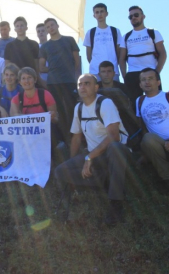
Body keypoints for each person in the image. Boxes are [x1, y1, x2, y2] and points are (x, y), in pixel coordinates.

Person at [54, 74, 132, 225]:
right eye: (79, 84)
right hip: (95, 155)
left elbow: (114, 136)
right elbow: (76, 138)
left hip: (115, 152)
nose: (82, 87)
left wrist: (89, 158)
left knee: (115, 148)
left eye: (87, 84)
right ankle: (105, 181)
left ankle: (116, 203)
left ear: (96, 87)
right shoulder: (79, 108)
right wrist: (74, 161)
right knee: (60, 171)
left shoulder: (105, 103)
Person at [39, 17, 80, 141]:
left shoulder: (69, 40)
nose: (50, 28)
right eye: (48, 27)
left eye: (52, 25)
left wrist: (77, 79)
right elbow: (41, 67)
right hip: (53, 83)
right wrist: (53, 69)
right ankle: (62, 140)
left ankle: (75, 138)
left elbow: (77, 62)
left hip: (70, 81)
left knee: (73, 110)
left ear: (57, 25)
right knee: (57, 113)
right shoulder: (45, 46)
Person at [10, 67, 62, 163]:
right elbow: (14, 120)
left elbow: (56, 119)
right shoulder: (16, 99)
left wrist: (52, 116)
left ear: (35, 80)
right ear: (20, 82)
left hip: (45, 133)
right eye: (23, 78)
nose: (27, 81)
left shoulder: (45, 94)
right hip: (26, 133)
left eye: (29, 77)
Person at [119, 6, 167, 107]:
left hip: (151, 72)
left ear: (143, 16)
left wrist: (156, 72)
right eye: (130, 17)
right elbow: (122, 59)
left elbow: (163, 53)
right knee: (132, 107)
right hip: (132, 74)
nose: (133, 18)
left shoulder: (153, 32)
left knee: (156, 103)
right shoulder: (126, 36)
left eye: (136, 15)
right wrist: (125, 77)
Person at [83, 3, 125, 81]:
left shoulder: (115, 31)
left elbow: (118, 51)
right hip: (95, 71)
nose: (99, 14)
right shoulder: (90, 32)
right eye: (97, 12)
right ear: (94, 15)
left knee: (114, 92)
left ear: (106, 13)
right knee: (96, 92)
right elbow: (89, 55)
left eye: (102, 11)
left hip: (113, 71)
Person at [4, 17, 45, 86]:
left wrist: (39, 79)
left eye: (22, 25)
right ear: (15, 29)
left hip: (30, 79)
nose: (20, 28)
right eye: (17, 26)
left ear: (26, 27)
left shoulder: (34, 44)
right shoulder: (9, 46)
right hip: (15, 80)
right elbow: (7, 65)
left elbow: (36, 65)